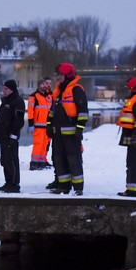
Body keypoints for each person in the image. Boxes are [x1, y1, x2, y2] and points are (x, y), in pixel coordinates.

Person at [46, 63, 88, 195]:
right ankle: (63, 186)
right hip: (57, 134)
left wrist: (79, 129)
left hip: (71, 135)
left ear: (68, 75)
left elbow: (83, 113)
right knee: (58, 160)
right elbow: (51, 112)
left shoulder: (76, 90)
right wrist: (48, 125)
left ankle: (78, 188)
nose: (58, 77)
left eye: (60, 74)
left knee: (73, 160)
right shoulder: (58, 91)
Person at [0, 79, 26, 193]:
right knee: (4, 161)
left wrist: (13, 135)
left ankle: (14, 184)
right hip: (3, 136)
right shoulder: (5, 101)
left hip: (10, 137)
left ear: (12, 89)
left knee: (11, 160)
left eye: (6, 89)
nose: (4, 90)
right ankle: (8, 182)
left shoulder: (18, 101)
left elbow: (19, 121)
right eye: (3, 88)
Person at [26, 77, 53, 170]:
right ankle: (34, 163)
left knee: (44, 144)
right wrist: (31, 124)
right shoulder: (34, 96)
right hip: (38, 125)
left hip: (46, 125)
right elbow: (30, 111)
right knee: (38, 144)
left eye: (45, 84)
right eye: (43, 84)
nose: (45, 86)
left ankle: (41, 162)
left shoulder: (48, 96)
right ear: (39, 85)